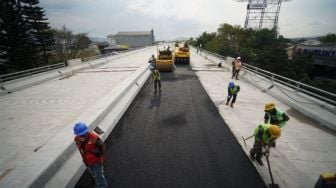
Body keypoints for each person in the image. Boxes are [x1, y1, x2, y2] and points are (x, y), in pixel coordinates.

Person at [74, 122, 108, 188]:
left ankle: (102, 185)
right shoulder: (77, 139)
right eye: (80, 135)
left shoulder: (94, 138)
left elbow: (103, 146)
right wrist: (84, 160)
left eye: (84, 134)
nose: (82, 136)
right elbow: (81, 150)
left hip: (96, 161)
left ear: (87, 131)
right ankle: (97, 179)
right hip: (87, 161)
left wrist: (104, 159)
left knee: (99, 174)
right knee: (93, 173)